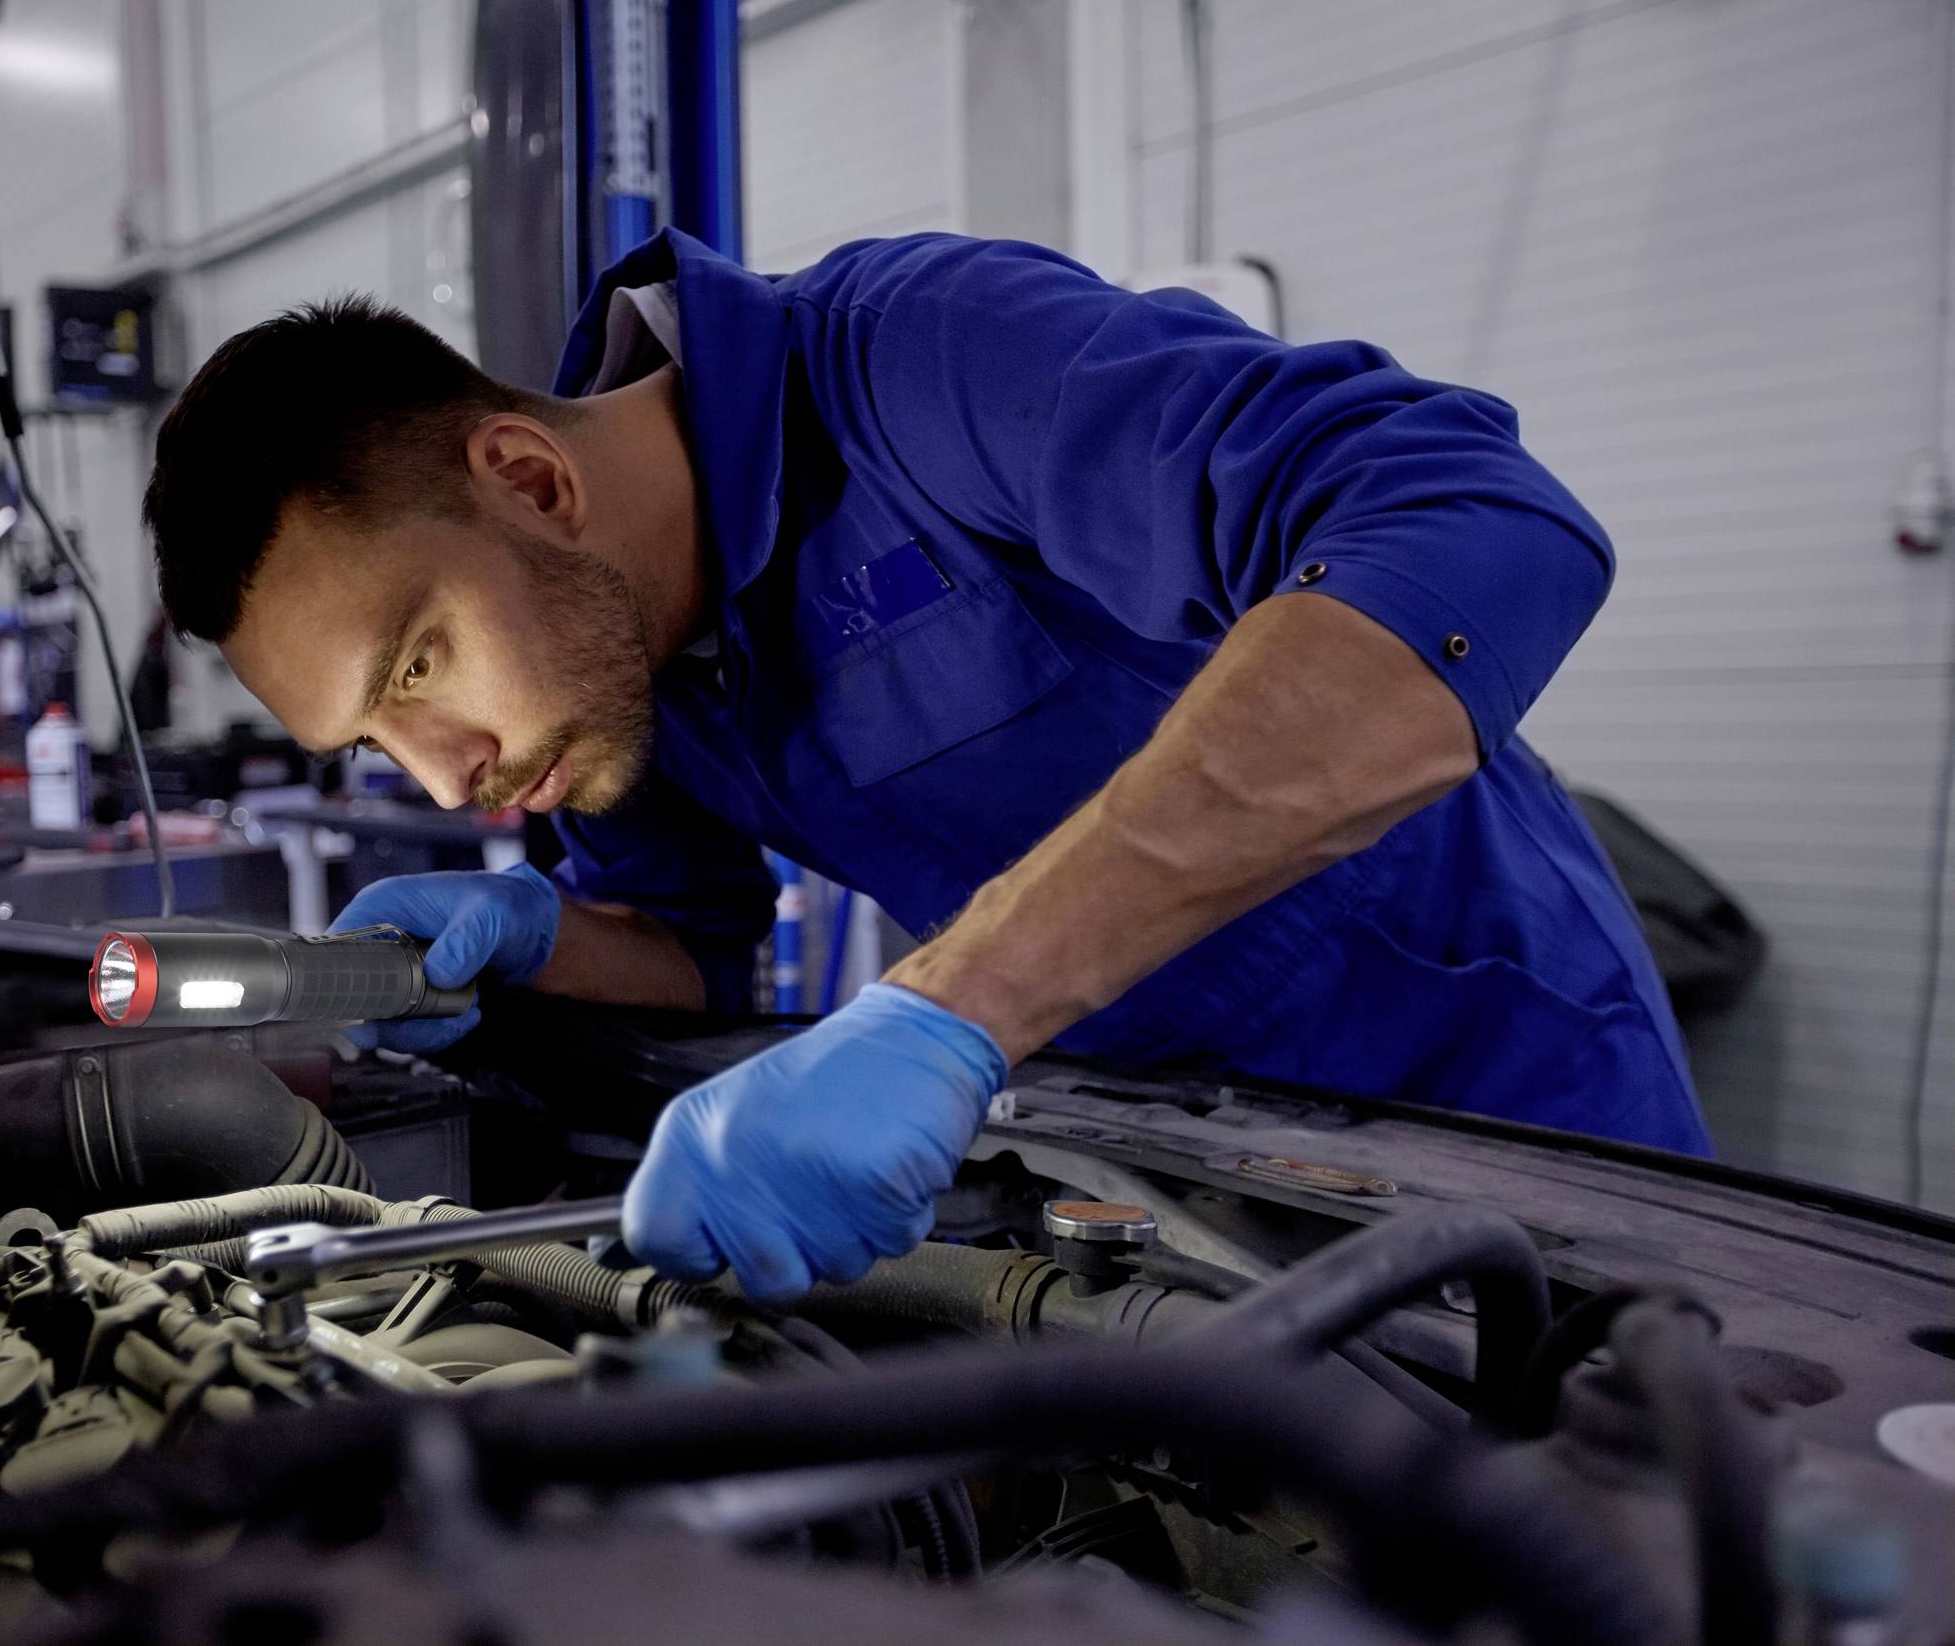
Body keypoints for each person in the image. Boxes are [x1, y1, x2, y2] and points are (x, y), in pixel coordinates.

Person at [141, 231, 1710, 1303]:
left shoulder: (919, 363)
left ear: (529, 477)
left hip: (1510, 1116)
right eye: (373, 736)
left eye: (417, 666)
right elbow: (692, 953)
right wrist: (537, 942)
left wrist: (956, 1008)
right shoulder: (615, 673)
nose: (441, 773)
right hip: (1160, 1181)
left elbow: (1479, 528)